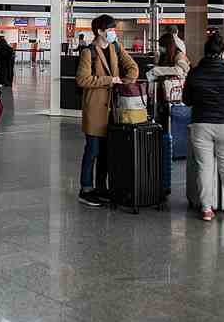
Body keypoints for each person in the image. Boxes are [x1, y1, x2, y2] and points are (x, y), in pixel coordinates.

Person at [182, 34, 224, 225]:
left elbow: (186, 100)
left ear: (205, 52)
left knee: (205, 167)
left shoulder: (194, 73)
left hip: (201, 125)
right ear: (223, 53)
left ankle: (206, 209)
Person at [75, 14, 138, 208]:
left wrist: (126, 81)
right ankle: (86, 189)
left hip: (113, 109)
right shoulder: (89, 52)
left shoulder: (115, 47)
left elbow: (132, 67)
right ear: (100, 31)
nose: (113, 33)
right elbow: (82, 79)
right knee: (92, 150)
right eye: (110, 29)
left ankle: (101, 188)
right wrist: (109, 80)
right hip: (95, 109)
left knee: (106, 152)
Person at [149, 32, 190, 126]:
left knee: (171, 117)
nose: (160, 49)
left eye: (162, 46)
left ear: (168, 45)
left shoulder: (179, 55)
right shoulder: (165, 55)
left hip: (174, 93)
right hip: (164, 92)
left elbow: (179, 70)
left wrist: (158, 70)